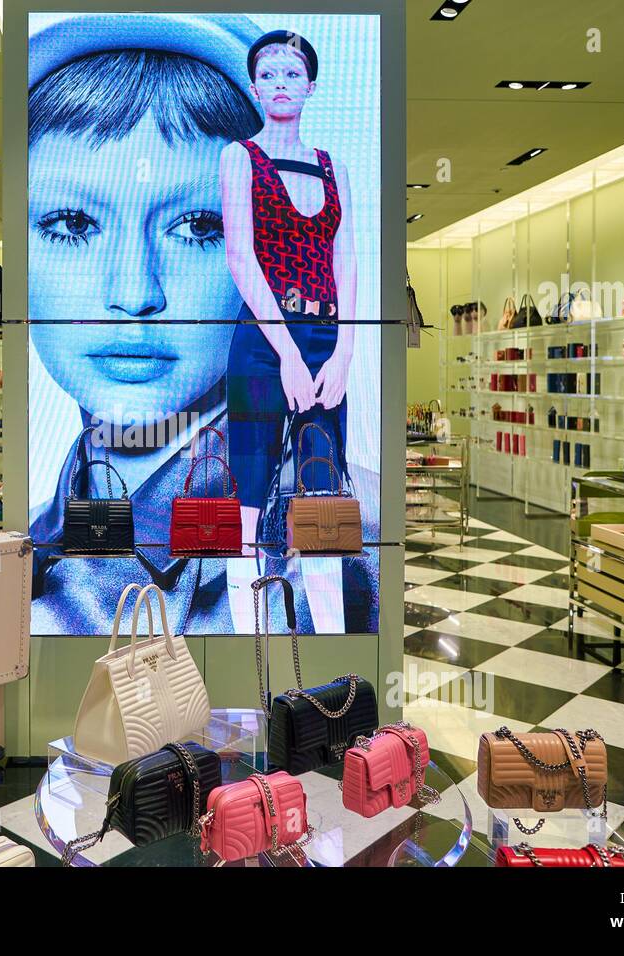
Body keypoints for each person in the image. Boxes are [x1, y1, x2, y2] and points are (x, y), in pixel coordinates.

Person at [25, 14, 376, 637]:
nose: (134, 293)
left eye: (196, 228)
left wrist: (334, 350)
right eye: (72, 224)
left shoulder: (363, 546)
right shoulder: (24, 548)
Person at [220, 30, 359, 632]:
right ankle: (247, 648)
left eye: (292, 73)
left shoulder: (334, 167)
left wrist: (345, 351)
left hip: (325, 343)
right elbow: (240, 257)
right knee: (246, 495)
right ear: (255, 86)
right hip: (260, 345)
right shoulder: (239, 157)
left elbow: (344, 257)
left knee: (322, 495)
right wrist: (286, 354)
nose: (281, 84)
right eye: (270, 74)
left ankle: (329, 646)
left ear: (310, 85)